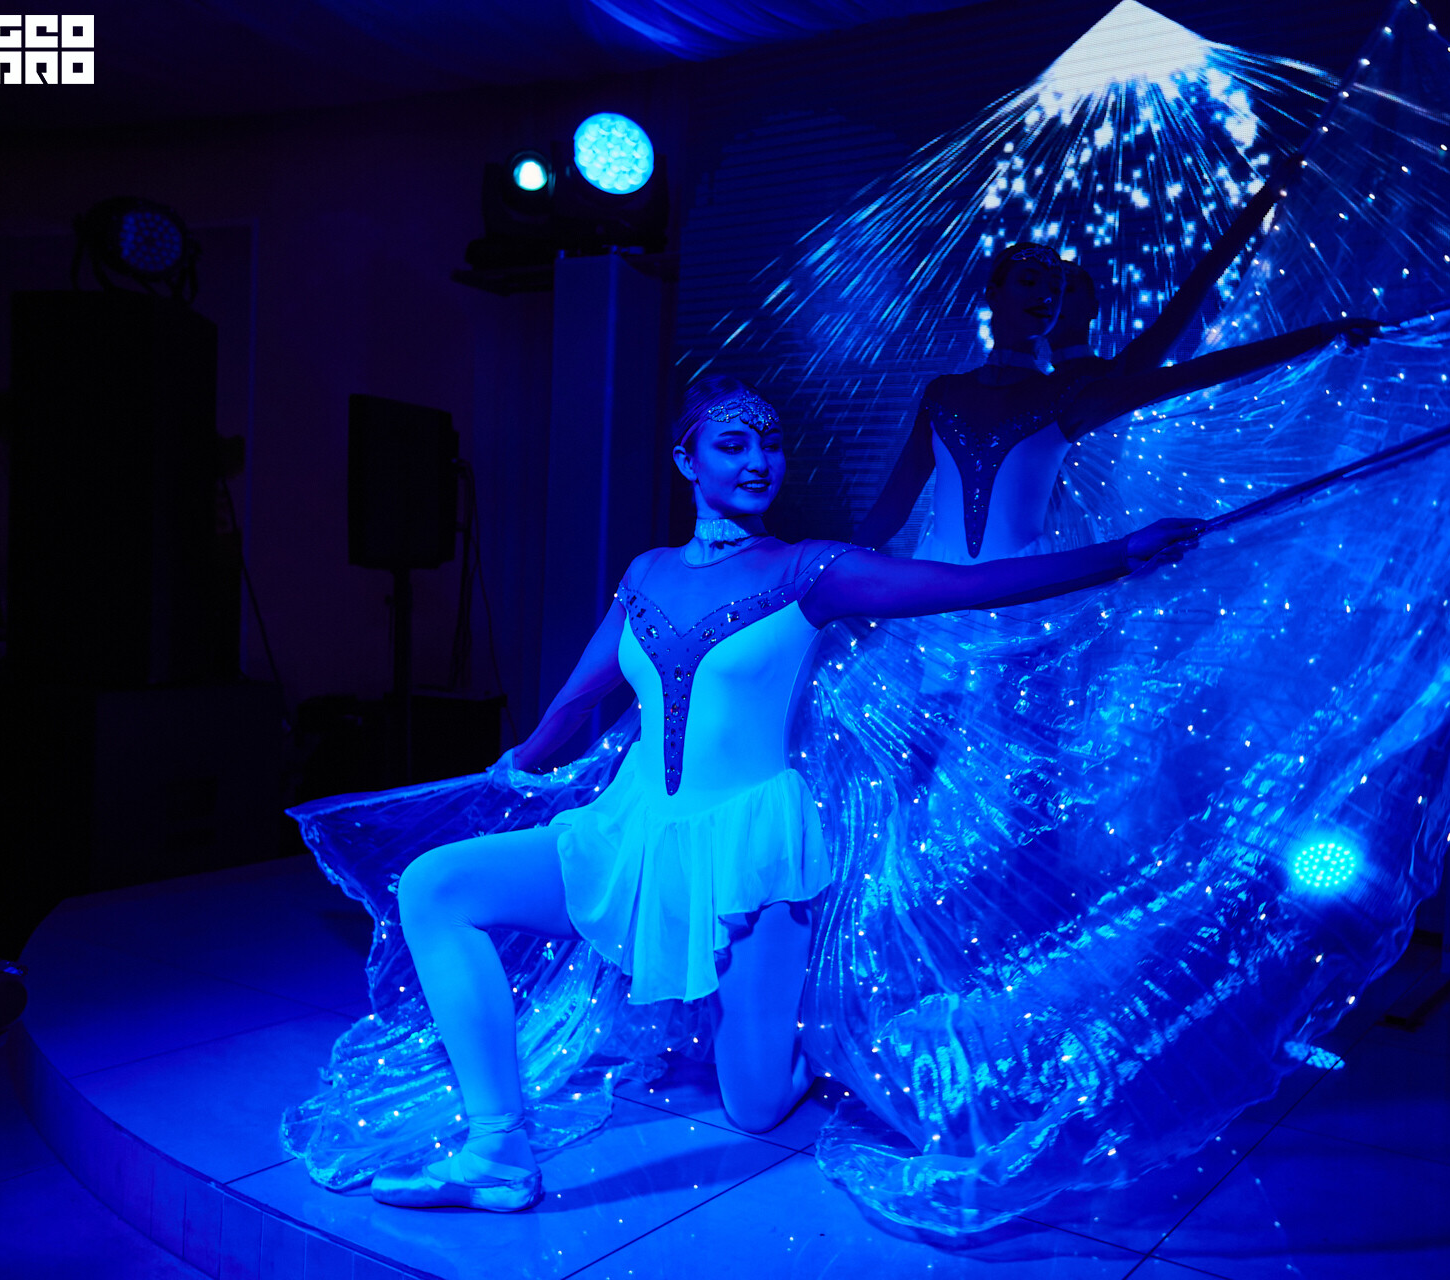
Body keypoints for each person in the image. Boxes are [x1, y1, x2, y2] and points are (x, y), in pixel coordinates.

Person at [367, 374, 1204, 1211]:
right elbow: (584, 692)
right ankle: (497, 1149)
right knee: (435, 887)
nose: (759, 462)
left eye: (770, 445)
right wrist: (519, 761)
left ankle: (814, 1037)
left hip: (751, 854)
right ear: (686, 460)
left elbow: (969, 586)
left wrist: (1119, 554)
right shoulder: (646, 574)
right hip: (629, 834)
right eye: (733, 445)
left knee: (755, 1106)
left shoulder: (811, 570)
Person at [851, 152, 1379, 563]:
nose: (1049, 294)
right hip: (969, 577)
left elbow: (1196, 345)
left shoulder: (1083, 388)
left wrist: (1318, 332)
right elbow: (895, 504)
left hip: (1068, 556)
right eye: (1033, 280)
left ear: (1086, 306)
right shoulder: (956, 393)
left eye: (1062, 286)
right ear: (994, 292)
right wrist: (829, 569)